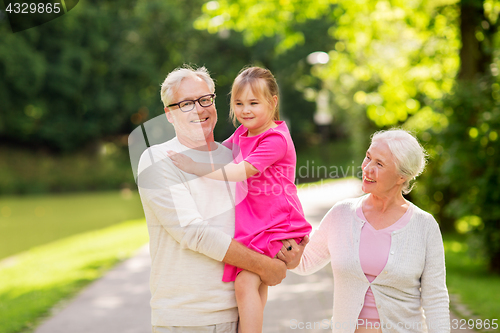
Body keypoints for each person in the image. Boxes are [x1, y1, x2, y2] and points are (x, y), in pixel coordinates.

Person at [137, 65, 304, 333]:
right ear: (169, 113)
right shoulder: (158, 160)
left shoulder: (235, 160)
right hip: (187, 319)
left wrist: (289, 253)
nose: (199, 109)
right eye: (186, 104)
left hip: (237, 314)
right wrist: (266, 266)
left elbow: (266, 214)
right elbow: (194, 233)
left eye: (205, 99)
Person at [288, 129, 450, 333]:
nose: (367, 168)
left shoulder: (424, 226)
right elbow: (304, 262)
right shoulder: (342, 214)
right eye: (368, 157)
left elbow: (435, 299)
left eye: (379, 164)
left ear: (402, 176)